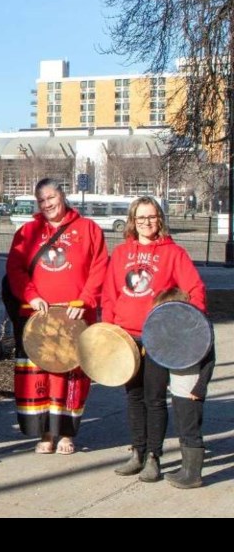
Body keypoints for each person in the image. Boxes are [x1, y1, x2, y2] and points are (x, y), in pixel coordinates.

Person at [102, 196, 209, 487]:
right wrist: (109, 328)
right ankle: (137, 451)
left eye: (151, 217)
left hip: (158, 338)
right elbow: (110, 293)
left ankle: (153, 457)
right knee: (133, 396)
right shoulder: (122, 252)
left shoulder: (174, 253)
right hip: (126, 337)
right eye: (141, 218)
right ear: (132, 222)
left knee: (154, 398)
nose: (146, 223)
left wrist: (188, 323)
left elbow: (195, 290)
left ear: (159, 219)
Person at [6, 178, 108, 455]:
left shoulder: (88, 229)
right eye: (41, 200)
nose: (47, 204)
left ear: (62, 196)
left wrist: (86, 299)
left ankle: (65, 433)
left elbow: (100, 268)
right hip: (39, 318)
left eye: (51, 198)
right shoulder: (27, 232)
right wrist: (31, 295)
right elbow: (15, 269)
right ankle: (45, 433)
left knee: (69, 376)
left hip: (75, 318)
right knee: (39, 376)